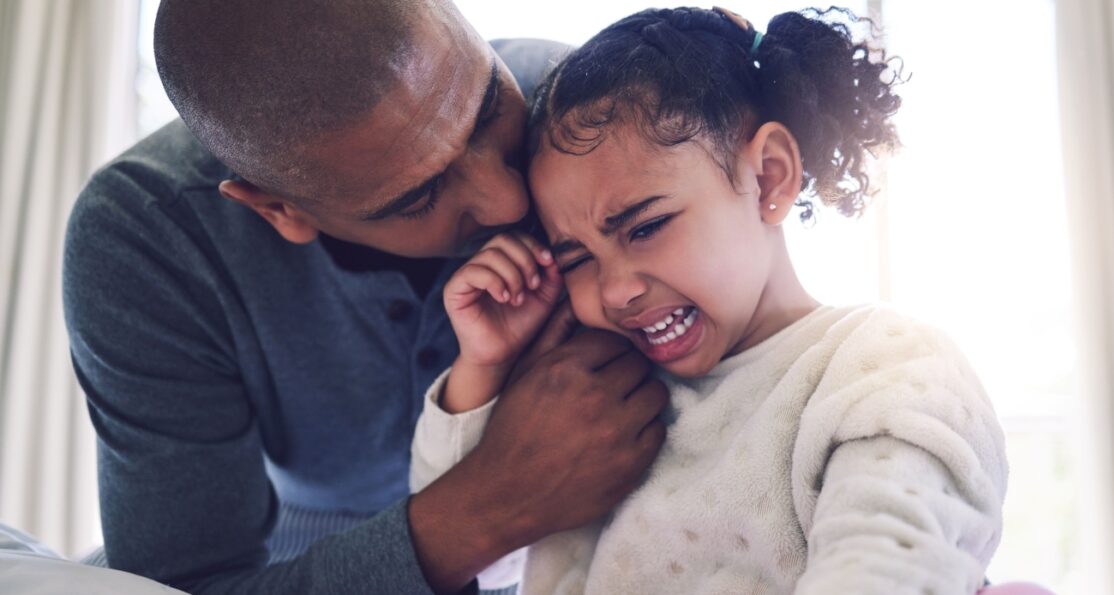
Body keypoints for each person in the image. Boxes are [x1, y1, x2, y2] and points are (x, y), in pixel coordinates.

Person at [61, 1, 668, 593]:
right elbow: (184, 585)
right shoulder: (148, 235)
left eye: (486, 110)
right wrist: (492, 505)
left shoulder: (589, 114)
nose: (509, 202)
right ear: (280, 211)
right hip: (299, 555)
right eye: (419, 198)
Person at [411, 6, 1008, 594]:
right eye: (576, 259)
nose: (616, 290)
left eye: (646, 227)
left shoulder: (884, 367)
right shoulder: (599, 397)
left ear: (769, 177)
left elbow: (889, 567)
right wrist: (484, 367)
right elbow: (478, 566)